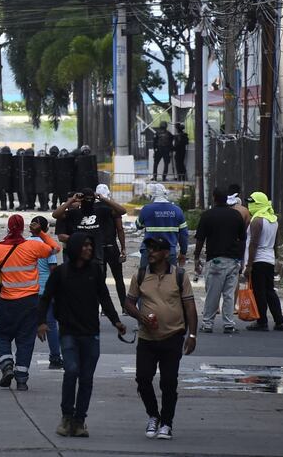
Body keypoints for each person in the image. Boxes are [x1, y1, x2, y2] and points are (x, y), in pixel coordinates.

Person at [39, 233, 125, 437]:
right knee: (71, 371)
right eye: (85, 245)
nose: (89, 249)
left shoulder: (95, 271)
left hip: (91, 333)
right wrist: (41, 322)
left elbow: (104, 297)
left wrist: (116, 321)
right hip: (68, 332)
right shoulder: (61, 273)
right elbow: (45, 298)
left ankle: (79, 421)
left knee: (86, 378)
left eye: (90, 245)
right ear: (76, 248)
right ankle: (66, 417)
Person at [125, 236, 198, 441]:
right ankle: (153, 416)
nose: (150, 253)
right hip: (147, 338)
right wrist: (141, 317)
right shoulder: (140, 275)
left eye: (155, 250)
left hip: (173, 336)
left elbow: (190, 307)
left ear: (166, 253)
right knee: (143, 379)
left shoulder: (179, 276)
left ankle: (167, 423)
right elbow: (129, 303)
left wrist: (192, 334)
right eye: (149, 249)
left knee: (168, 382)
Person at [0, 215, 60, 391]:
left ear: (8, 228)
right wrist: (42, 233)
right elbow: (55, 248)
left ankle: (7, 365)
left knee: (1, 336)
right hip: (30, 302)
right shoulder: (33, 245)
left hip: (7, 302)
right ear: (23, 228)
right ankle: (21, 378)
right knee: (25, 340)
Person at [194, 188, 246, 334]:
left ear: (214, 198)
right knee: (229, 294)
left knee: (213, 293)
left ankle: (208, 324)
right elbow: (242, 240)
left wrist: (196, 258)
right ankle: (229, 324)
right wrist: (241, 259)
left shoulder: (208, 215)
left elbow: (200, 239)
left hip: (215, 260)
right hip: (233, 260)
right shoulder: (236, 215)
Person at [244, 192, 283, 332]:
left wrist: (249, 265)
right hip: (269, 259)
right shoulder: (273, 220)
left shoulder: (257, 221)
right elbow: (275, 243)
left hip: (258, 260)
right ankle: (279, 321)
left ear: (259, 204)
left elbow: (253, 244)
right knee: (270, 291)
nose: (249, 205)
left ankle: (261, 321)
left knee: (259, 292)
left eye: (252, 202)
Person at [53, 187, 126, 264]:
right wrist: (72, 200)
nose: (89, 201)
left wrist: (103, 199)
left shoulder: (100, 211)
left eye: (91, 199)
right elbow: (55, 215)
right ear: (81, 199)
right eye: (86, 199)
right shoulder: (75, 213)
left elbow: (122, 211)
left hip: (96, 255)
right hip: (79, 255)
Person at [28, 216, 61, 369]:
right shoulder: (48, 246)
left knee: (27, 325)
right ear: (45, 229)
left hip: (28, 290)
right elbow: (53, 270)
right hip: (46, 291)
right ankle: (55, 358)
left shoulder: (24, 243)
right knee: (51, 325)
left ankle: (23, 359)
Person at [135, 184, 188, 269]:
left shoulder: (146, 209)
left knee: (145, 279)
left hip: (149, 252)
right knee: (169, 280)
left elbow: (138, 226)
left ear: (152, 195)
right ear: (165, 194)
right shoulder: (177, 210)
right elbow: (184, 234)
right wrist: (183, 252)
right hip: (169, 252)